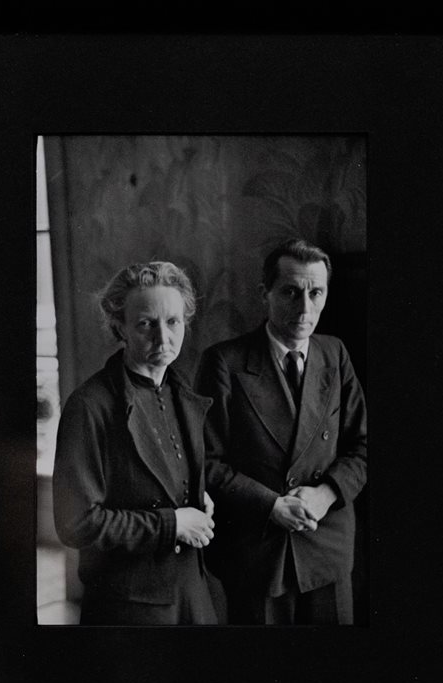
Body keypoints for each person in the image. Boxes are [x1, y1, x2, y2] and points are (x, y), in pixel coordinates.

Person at [196, 239, 367, 625]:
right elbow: (206, 462)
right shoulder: (224, 362)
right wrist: (271, 506)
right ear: (266, 293)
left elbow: (362, 445)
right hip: (259, 552)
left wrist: (325, 494)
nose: (304, 308)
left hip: (326, 544)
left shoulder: (335, 354)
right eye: (291, 292)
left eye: (316, 293)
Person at [53, 261, 220, 625]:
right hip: (130, 606)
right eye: (146, 324)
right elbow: (76, 522)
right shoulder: (90, 406)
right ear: (120, 328)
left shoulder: (181, 393)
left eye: (173, 322)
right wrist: (172, 524)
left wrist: (195, 492)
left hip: (191, 591)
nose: (163, 338)